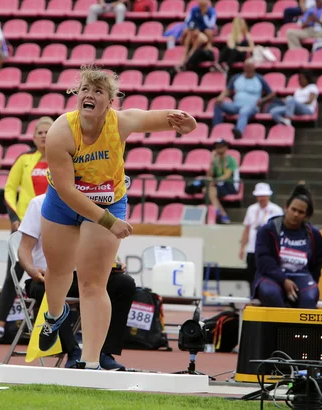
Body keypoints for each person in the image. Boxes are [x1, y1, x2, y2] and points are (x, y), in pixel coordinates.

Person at [38, 64, 197, 370]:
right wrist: (110, 223)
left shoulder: (120, 122)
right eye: (85, 89)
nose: (90, 95)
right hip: (64, 199)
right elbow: (70, 192)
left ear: (109, 101)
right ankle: (55, 316)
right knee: (58, 271)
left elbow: (156, 117)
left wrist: (183, 121)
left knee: (94, 283)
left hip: (109, 200)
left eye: (98, 91)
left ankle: (91, 361)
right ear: (77, 95)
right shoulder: (61, 131)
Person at [4, 194, 136, 370]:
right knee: (47, 287)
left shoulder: (99, 201)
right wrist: (32, 270)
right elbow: (24, 248)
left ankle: (104, 353)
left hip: (85, 274)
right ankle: (73, 351)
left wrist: (114, 263)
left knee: (124, 284)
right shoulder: (40, 203)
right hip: (46, 275)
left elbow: (102, 247)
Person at [0, 116, 53, 343]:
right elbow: (9, 189)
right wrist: (14, 218)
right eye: (40, 132)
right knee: (12, 277)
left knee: (54, 277)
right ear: (33, 137)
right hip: (26, 228)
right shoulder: (24, 160)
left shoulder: (63, 158)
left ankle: (49, 328)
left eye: (48, 132)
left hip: (56, 229)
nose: (44, 136)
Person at [253, 184, 322, 308]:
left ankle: (299, 328)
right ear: (286, 208)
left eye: (301, 212)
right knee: (271, 294)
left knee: (310, 296)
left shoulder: (314, 234)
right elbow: (263, 260)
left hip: (301, 276)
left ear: (306, 216)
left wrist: (311, 282)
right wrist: (283, 280)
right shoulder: (268, 230)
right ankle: (277, 327)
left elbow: (317, 264)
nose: (296, 214)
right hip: (272, 276)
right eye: (293, 209)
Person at [239, 183, 283, 292]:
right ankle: (252, 295)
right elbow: (247, 229)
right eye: (259, 195)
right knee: (251, 275)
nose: (261, 198)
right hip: (252, 248)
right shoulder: (251, 209)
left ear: (268, 196)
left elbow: (280, 231)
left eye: (264, 195)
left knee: (268, 274)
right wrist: (242, 247)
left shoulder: (276, 210)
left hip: (269, 249)